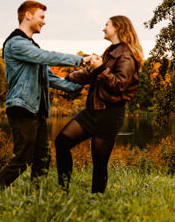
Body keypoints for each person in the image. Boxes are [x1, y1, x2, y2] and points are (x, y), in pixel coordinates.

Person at [0, 0, 92, 197]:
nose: (44, 22)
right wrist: (80, 60)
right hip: (21, 107)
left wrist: (80, 83)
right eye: (42, 17)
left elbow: (49, 77)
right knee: (23, 158)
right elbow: (46, 57)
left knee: (43, 158)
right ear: (28, 15)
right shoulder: (16, 43)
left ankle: (35, 199)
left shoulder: (32, 46)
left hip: (36, 110)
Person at [55, 15, 144, 194]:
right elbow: (90, 74)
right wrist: (63, 80)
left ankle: (97, 200)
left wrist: (100, 68)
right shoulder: (111, 51)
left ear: (118, 28)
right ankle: (62, 190)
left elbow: (119, 85)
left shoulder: (126, 55)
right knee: (62, 142)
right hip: (92, 111)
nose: (104, 28)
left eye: (107, 25)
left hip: (110, 115)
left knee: (99, 161)